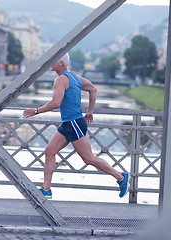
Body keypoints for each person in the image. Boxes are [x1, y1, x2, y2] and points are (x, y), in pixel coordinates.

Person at [23, 53, 130, 199]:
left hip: (73, 123)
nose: (50, 63)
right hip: (69, 123)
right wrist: (89, 112)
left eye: (53, 60)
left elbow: (56, 103)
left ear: (61, 63)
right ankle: (46, 189)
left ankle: (121, 177)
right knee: (49, 152)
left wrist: (36, 111)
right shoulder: (75, 77)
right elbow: (93, 89)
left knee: (89, 159)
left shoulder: (61, 80)